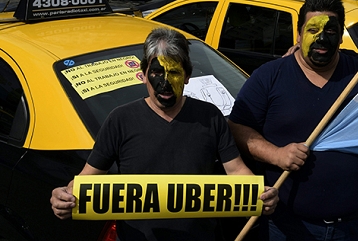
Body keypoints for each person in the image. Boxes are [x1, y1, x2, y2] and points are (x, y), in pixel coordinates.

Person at [50, 28, 279, 241]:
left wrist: (261, 194)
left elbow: (237, 170)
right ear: (143, 74)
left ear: (188, 76)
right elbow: (88, 177)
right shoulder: (120, 120)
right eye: (157, 73)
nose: (165, 83)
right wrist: (65, 196)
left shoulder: (209, 117)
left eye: (174, 73)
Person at [228, 0, 358, 241]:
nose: (322, 38)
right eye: (313, 30)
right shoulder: (269, 76)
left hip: (352, 228)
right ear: (299, 35)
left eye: (331, 31)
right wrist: (275, 154)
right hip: (287, 227)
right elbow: (236, 128)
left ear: (340, 35)